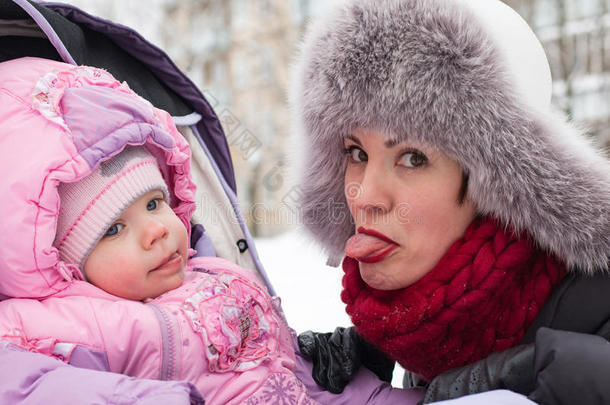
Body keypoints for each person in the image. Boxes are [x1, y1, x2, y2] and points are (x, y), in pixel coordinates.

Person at [0, 56, 424, 405]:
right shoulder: (59, 326)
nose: (155, 231)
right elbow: (28, 388)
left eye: (154, 203)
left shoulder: (219, 277)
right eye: (113, 229)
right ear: (64, 265)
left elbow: (292, 378)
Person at [290, 0, 610, 404]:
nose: (364, 195)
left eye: (412, 157)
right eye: (356, 153)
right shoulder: (435, 327)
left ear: (502, 183)